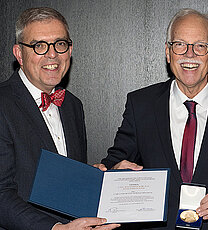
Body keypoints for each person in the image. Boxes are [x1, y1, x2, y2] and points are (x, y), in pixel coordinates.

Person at [94, 8, 208, 230]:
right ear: (168, 52)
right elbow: (114, 162)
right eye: (180, 44)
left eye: (200, 46)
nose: (189, 54)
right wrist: (113, 173)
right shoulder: (141, 104)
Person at [0, 7, 119, 230]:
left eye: (60, 44)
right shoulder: (3, 103)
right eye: (39, 46)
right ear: (19, 54)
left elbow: (61, 182)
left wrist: (103, 178)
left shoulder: (73, 106)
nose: (52, 54)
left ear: (70, 50)